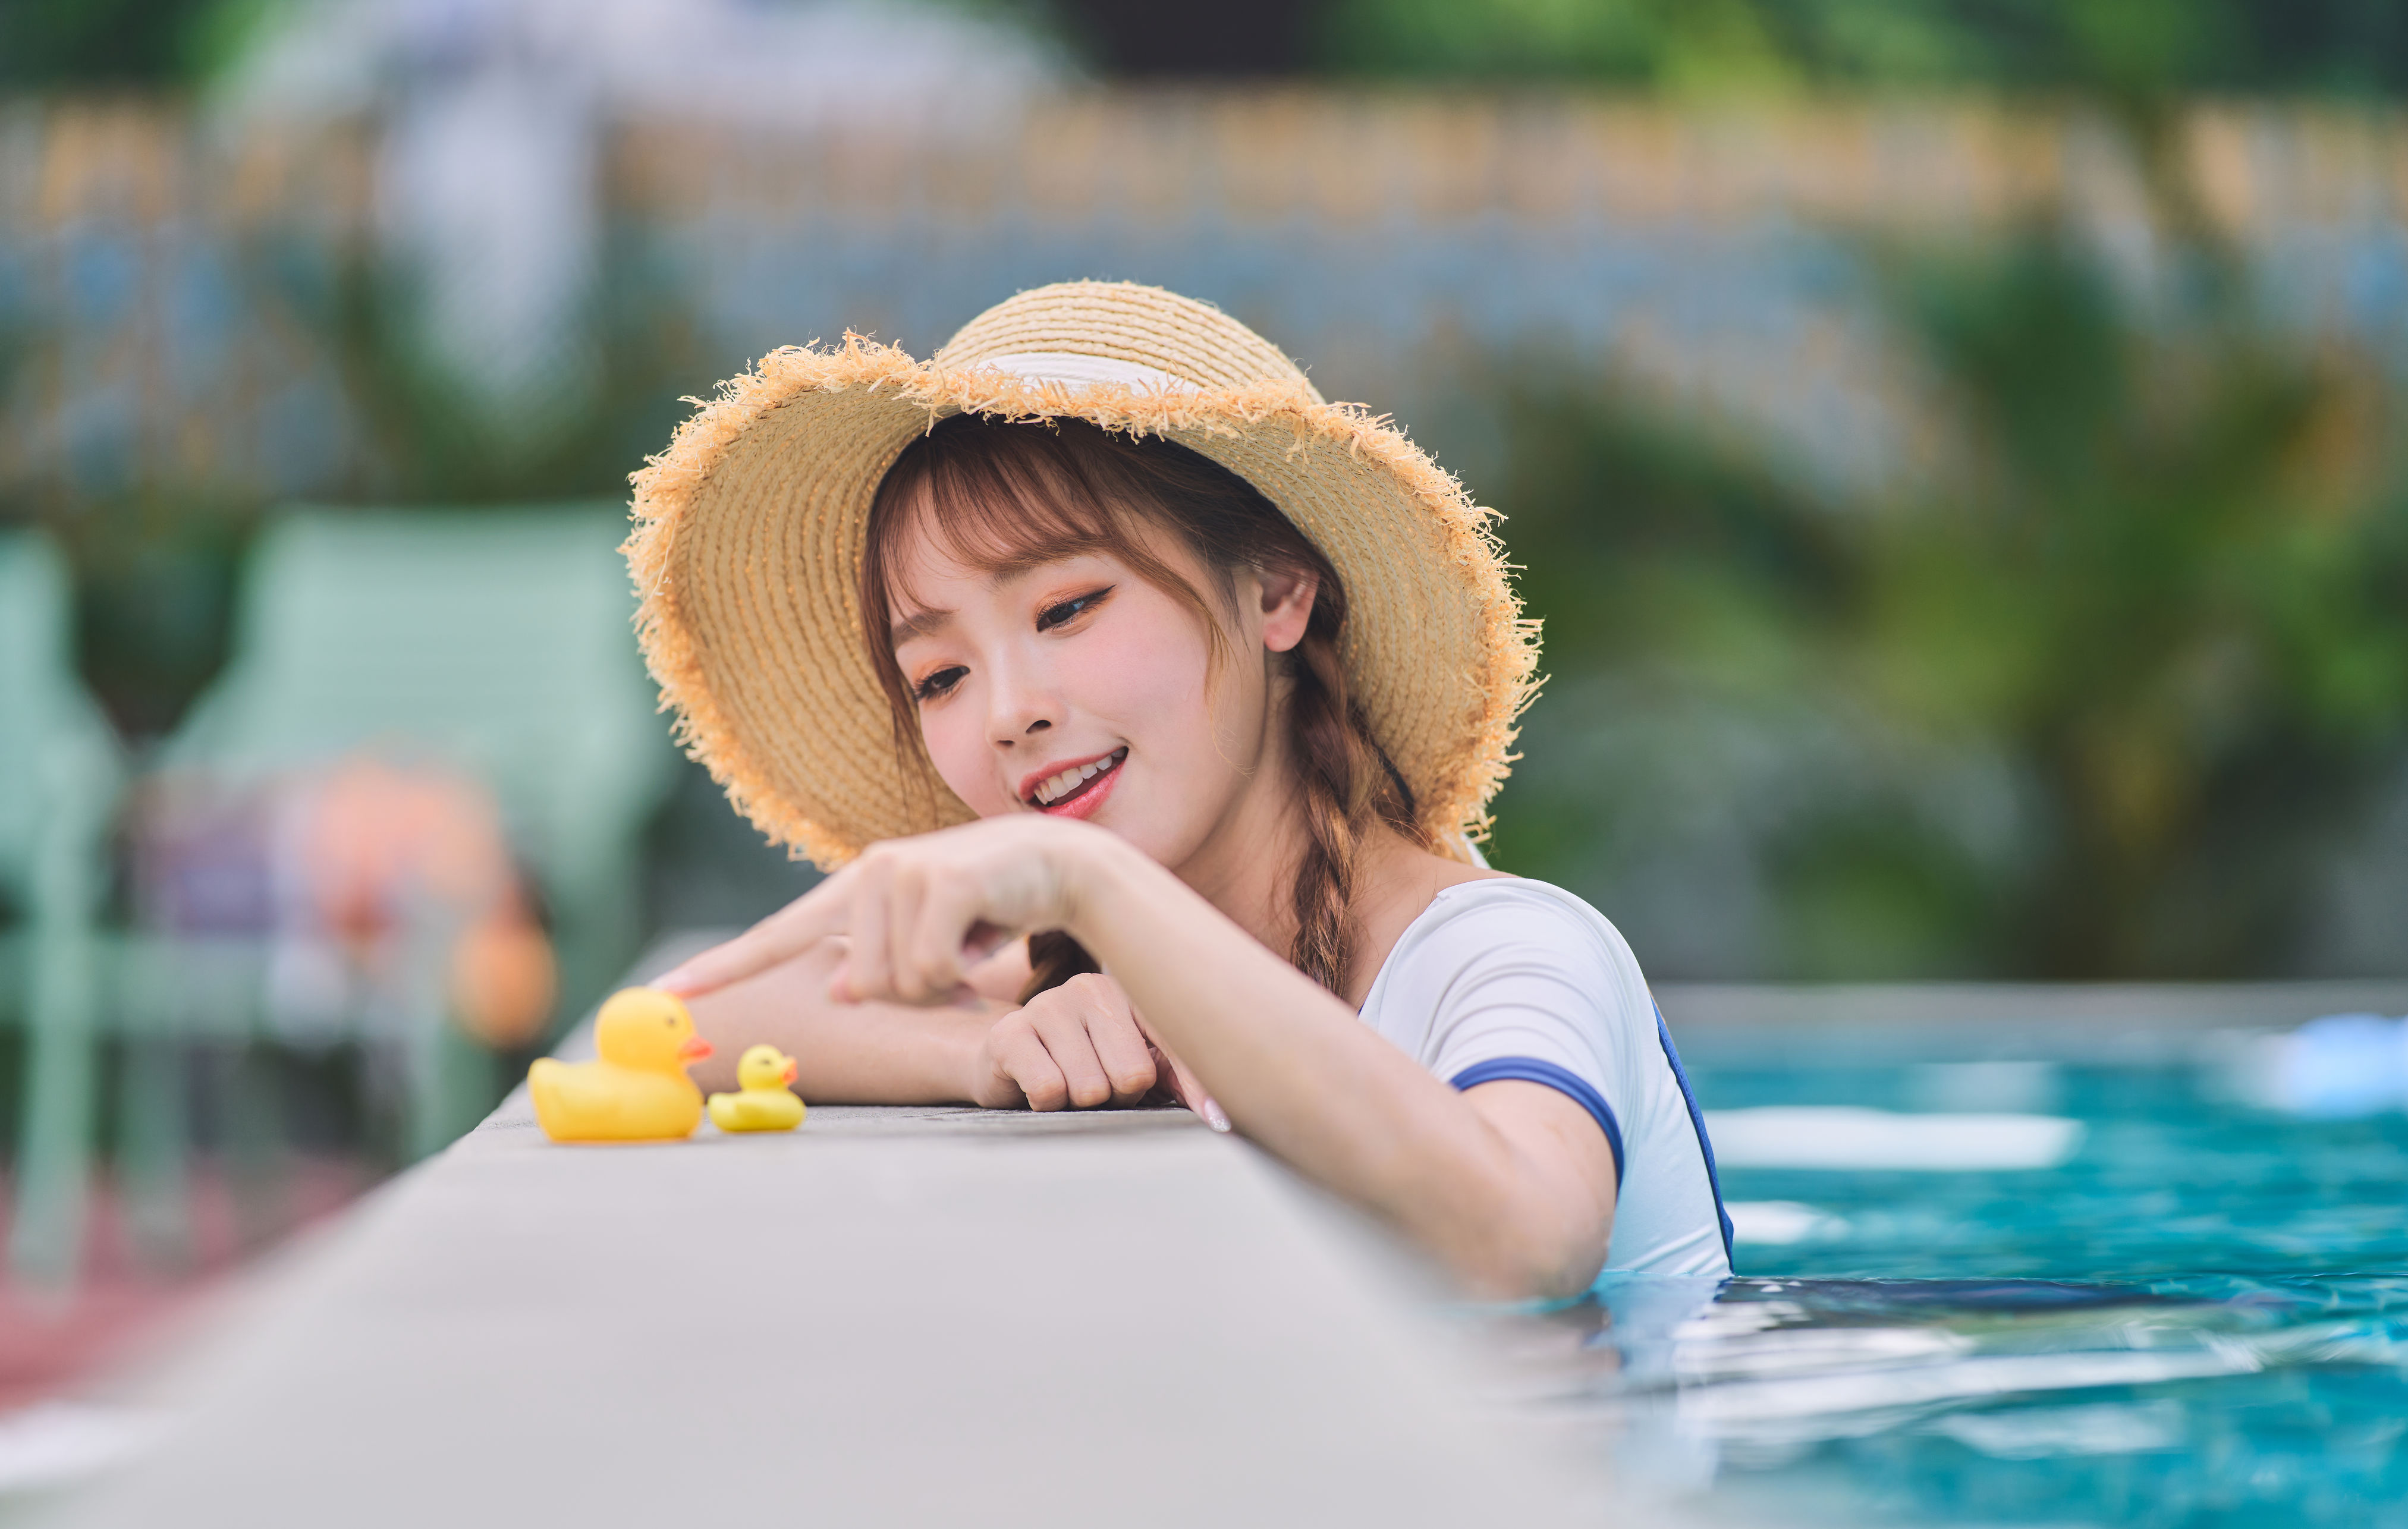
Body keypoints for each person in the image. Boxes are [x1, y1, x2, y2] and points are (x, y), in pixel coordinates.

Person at [630, 282, 1731, 1296]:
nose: (1009, 710)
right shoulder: (1078, 980)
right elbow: (679, 1021)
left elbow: (1530, 1240)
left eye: (1066, 609)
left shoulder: (1504, 952)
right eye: (941, 675)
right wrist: (978, 1052)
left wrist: (1087, 881)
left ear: (1278, 592)